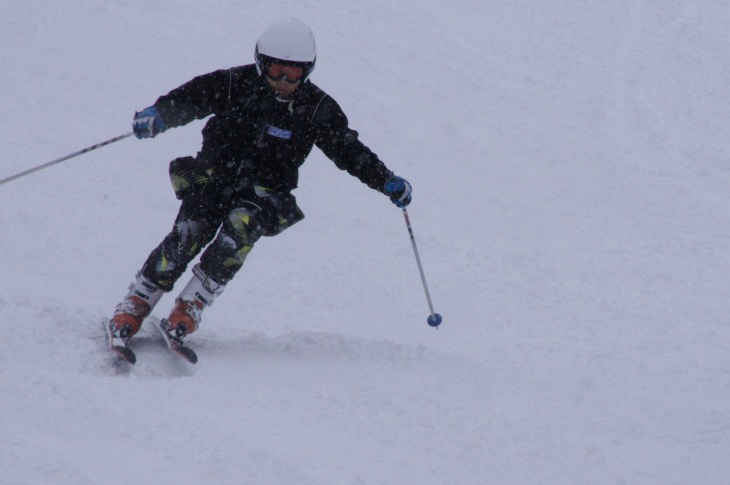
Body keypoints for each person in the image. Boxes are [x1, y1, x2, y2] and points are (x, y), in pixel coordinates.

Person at [106, 17, 412, 355]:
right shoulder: (236, 84)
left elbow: (348, 150)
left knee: (239, 231)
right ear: (260, 63)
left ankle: (191, 305)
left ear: (307, 71)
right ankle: (137, 301)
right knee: (190, 230)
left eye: (293, 74)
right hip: (214, 177)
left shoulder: (317, 109)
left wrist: (385, 180)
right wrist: (160, 114)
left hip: (265, 192)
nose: (283, 81)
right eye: (276, 70)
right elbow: (194, 97)